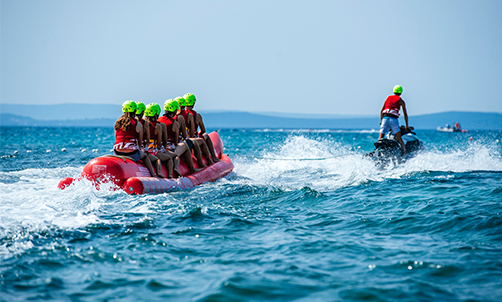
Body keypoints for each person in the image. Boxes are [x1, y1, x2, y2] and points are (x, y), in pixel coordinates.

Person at [113, 100, 160, 178]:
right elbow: (140, 142)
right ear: (135, 110)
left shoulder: (117, 122)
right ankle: (152, 175)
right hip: (132, 153)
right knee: (145, 156)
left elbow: (116, 139)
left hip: (117, 152)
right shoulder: (137, 124)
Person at [157, 99, 202, 174]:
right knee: (185, 145)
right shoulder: (175, 123)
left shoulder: (158, 121)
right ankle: (192, 168)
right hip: (171, 150)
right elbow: (178, 139)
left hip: (158, 150)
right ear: (175, 110)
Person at [175, 96, 214, 165]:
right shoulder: (192, 115)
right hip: (188, 140)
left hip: (174, 143)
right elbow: (199, 131)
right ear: (193, 103)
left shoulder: (172, 117)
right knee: (204, 137)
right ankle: (210, 159)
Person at [143, 103, 178, 178]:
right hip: (153, 152)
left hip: (143, 151)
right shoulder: (158, 126)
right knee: (169, 158)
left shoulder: (141, 124)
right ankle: (170, 175)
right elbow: (160, 142)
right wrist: (163, 150)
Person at [183, 93, 220, 162]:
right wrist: (198, 133)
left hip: (183, 139)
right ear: (194, 103)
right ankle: (213, 157)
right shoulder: (197, 116)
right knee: (205, 135)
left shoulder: (179, 116)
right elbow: (203, 130)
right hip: (193, 138)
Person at [379, 85, 409, 154]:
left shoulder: (388, 98)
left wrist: (381, 122)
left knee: (380, 138)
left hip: (385, 119)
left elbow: (381, 111)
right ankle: (404, 153)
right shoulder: (401, 101)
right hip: (393, 120)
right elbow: (405, 115)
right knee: (399, 139)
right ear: (401, 92)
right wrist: (407, 126)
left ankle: (376, 151)